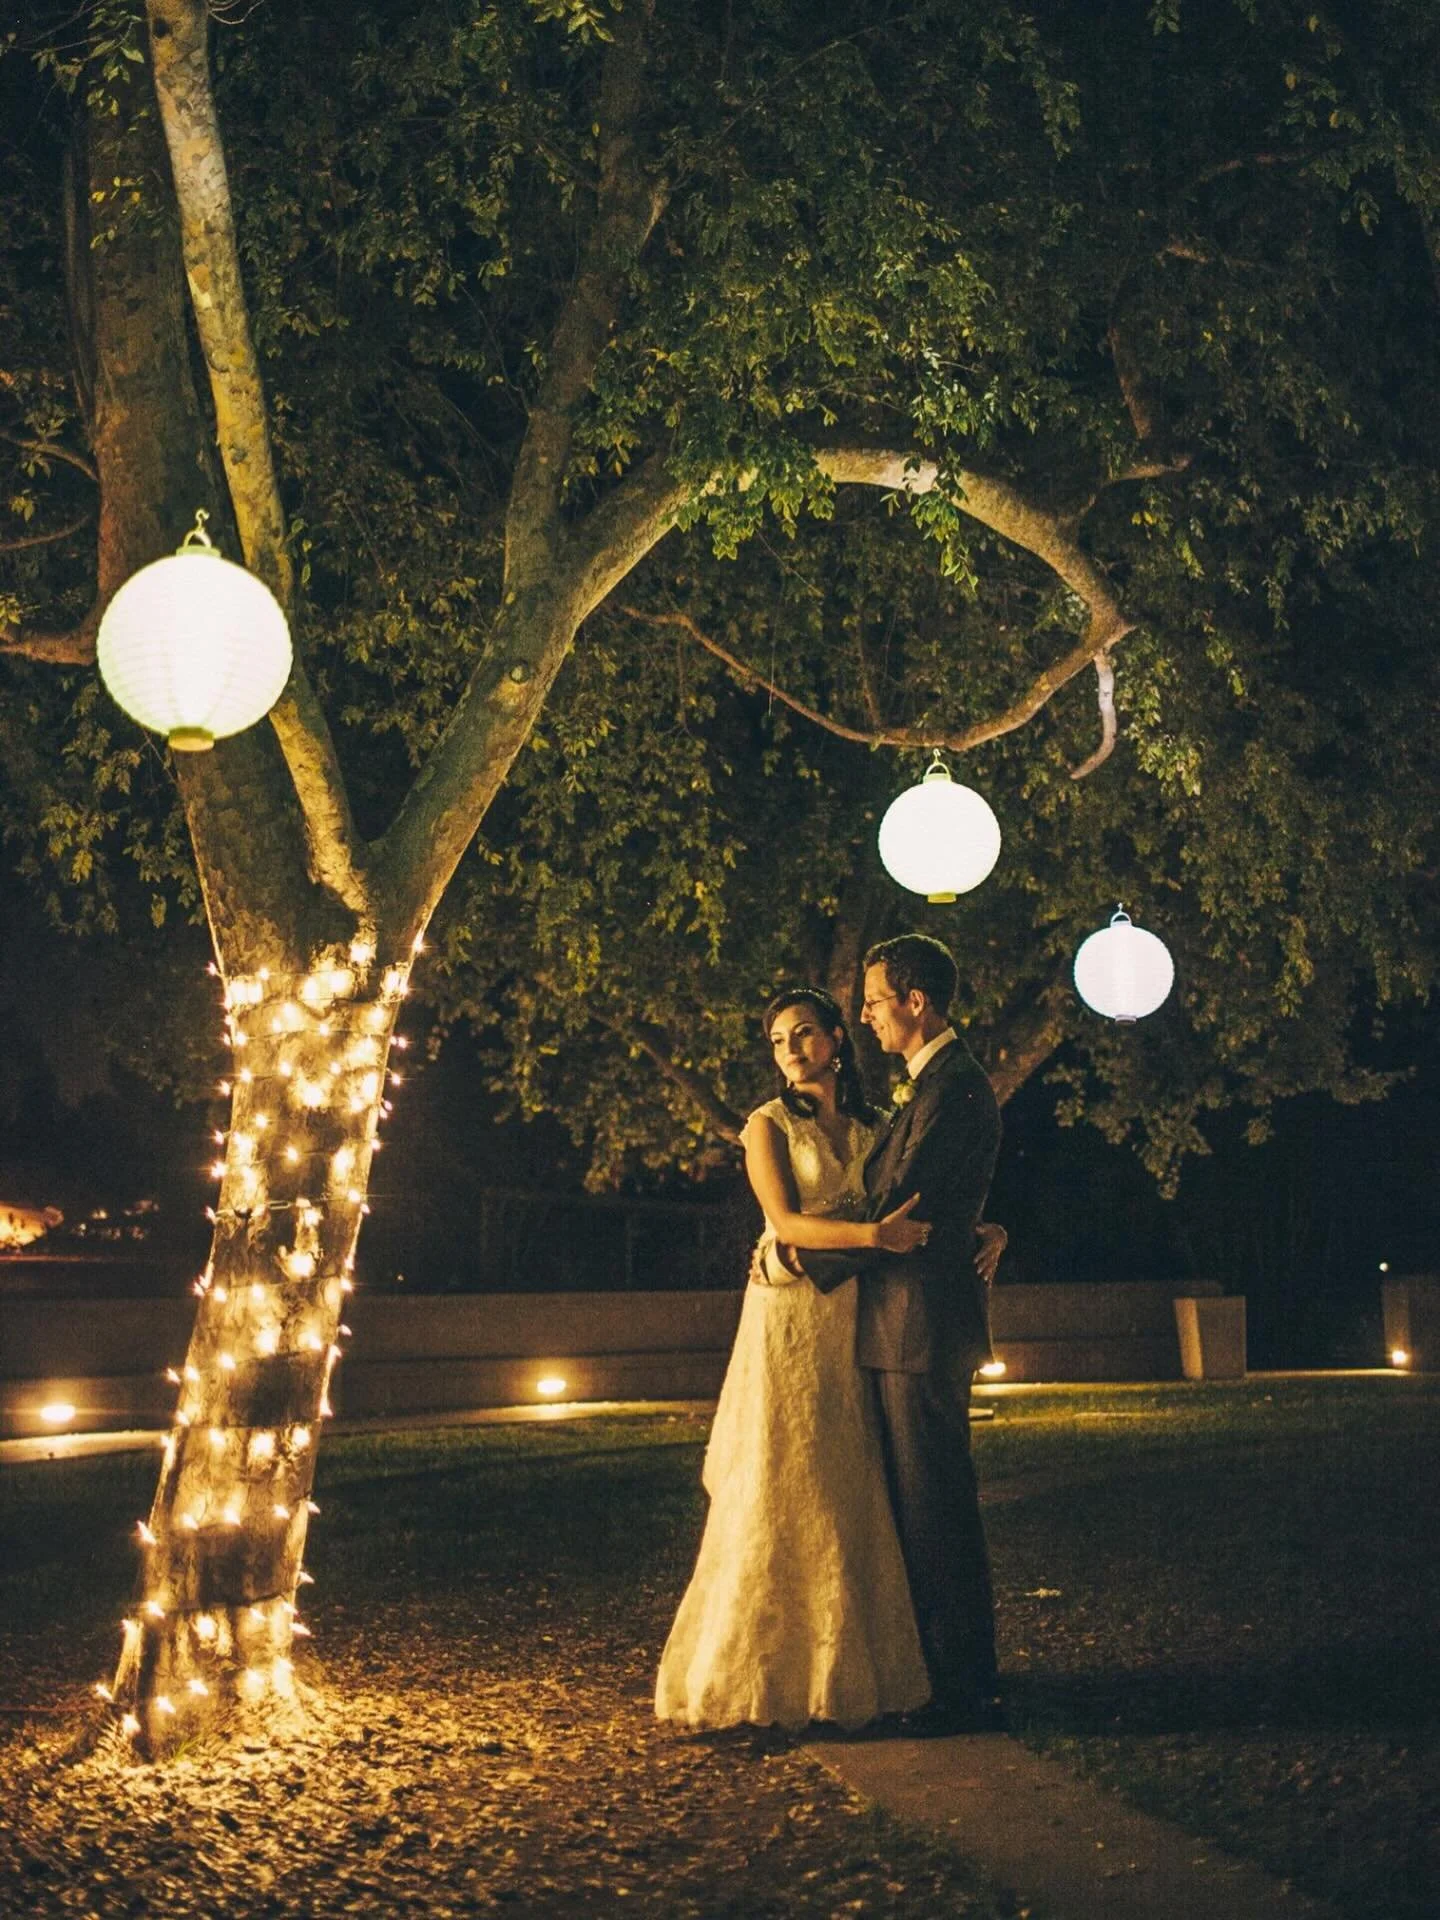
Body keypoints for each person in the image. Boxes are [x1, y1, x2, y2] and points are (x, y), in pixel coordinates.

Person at [655, 984, 1003, 1732]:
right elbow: (786, 1224)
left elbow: (913, 1195)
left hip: (859, 1315)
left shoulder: (878, 1122)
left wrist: (983, 1229)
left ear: (837, 1039)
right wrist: (872, 1239)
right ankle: (773, 1667)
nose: (791, 1050)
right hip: (792, 1313)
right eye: (779, 1040)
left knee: (852, 1477)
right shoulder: (766, 1125)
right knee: (791, 1470)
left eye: (805, 1033)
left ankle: (861, 1662)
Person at [764, 935, 1004, 1734]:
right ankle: (940, 1675)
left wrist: (799, 1256)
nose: (865, 1015)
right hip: (901, 1323)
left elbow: (903, 1202)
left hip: (917, 1327)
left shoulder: (951, 1087)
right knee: (919, 1506)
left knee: (935, 1508)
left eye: (873, 1001)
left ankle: (961, 1688)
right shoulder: (934, 1085)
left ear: (914, 1002)